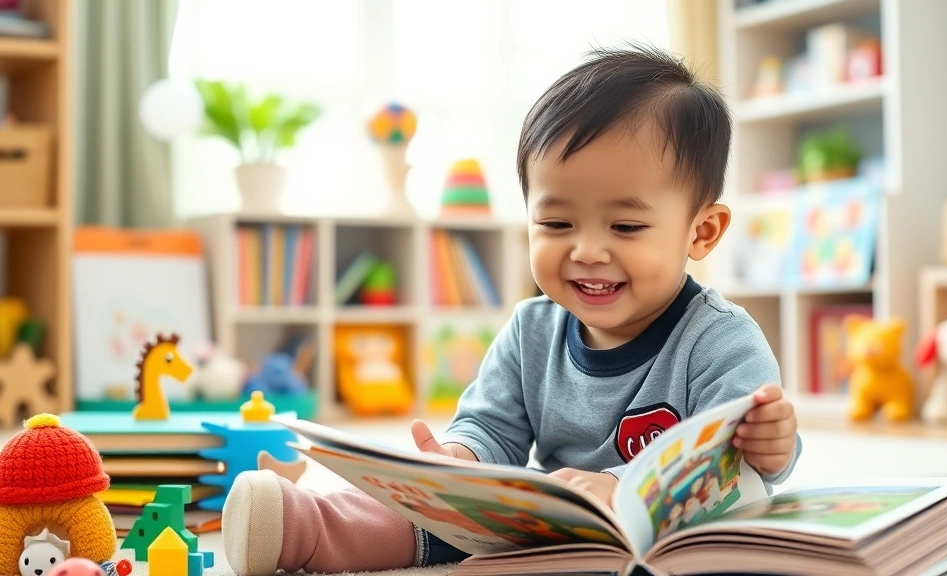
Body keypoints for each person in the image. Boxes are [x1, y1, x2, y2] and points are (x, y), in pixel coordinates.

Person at [222, 43, 802, 575]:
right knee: (428, 518)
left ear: (701, 231)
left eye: (625, 226)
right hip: (549, 530)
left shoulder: (718, 339)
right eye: (555, 223)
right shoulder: (532, 330)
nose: (587, 251)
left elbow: (736, 464)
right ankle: (303, 526)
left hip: (670, 534)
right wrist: (458, 458)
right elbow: (492, 426)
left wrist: (768, 446)